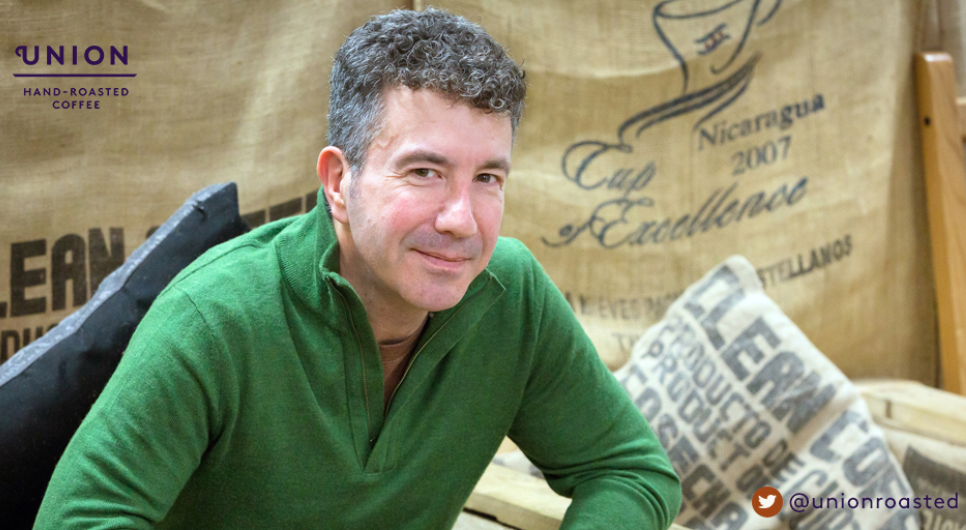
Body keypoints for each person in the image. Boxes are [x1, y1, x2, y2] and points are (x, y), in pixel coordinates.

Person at [34, 8, 681, 530]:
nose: (461, 219)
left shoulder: (511, 296)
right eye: (424, 172)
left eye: (487, 177)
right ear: (339, 182)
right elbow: (82, 518)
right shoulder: (217, 318)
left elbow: (630, 471)